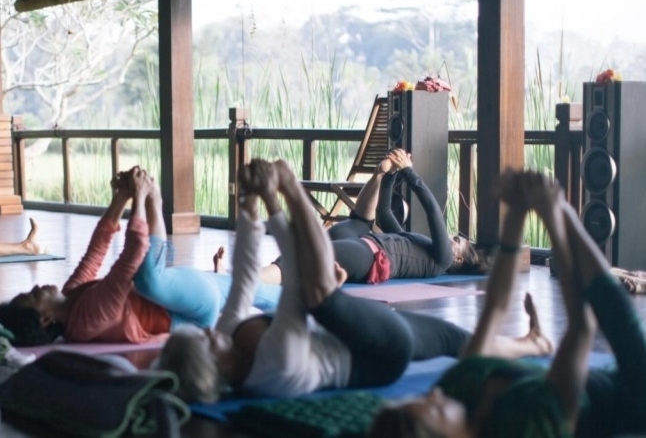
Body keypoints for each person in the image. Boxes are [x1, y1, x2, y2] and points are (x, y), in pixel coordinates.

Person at [157, 159, 552, 403]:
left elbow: (243, 283)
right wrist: (280, 200)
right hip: (378, 355)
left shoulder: (228, 337)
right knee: (318, 293)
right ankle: (293, 185)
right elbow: (299, 289)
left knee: (453, 339)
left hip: (355, 291)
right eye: (203, 341)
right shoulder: (273, 368)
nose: (207, 332)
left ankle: (532, 343)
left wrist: (247, 203)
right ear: (215, 366)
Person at [369, 170, 646, 438]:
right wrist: (560, 216)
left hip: (606, 378)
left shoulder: (457, 390)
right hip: (636, 402)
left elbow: (496, 307)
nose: (436, 394)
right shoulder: (524, 427)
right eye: (435, 408)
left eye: (425, 396)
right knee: (623, 325)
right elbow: (582, 327)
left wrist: (516, 213)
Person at [0, 166, 280, 347]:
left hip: (181, 296)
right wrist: (144, 198)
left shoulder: (72, 296)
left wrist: (120, 197)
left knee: (259, 292)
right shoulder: (87, 319)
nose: (36, 287)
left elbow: (96, 251)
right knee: (147, 280)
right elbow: (130, 259)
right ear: (46, 319)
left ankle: (301, 287)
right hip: (190, 313)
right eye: (34, 295)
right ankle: (156, 202)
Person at [260, 148, 488, 286]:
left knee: (303, 259)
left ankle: (241, 280)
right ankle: (377, 172)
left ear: (457, 259)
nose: (451, 237)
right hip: (362, 239)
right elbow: (384, 213)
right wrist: (388, 174)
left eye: (457, 241)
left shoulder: (442, 260)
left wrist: (409, 172)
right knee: (360, 221)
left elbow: (432, 211)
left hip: (369, 256)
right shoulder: (419, 245)